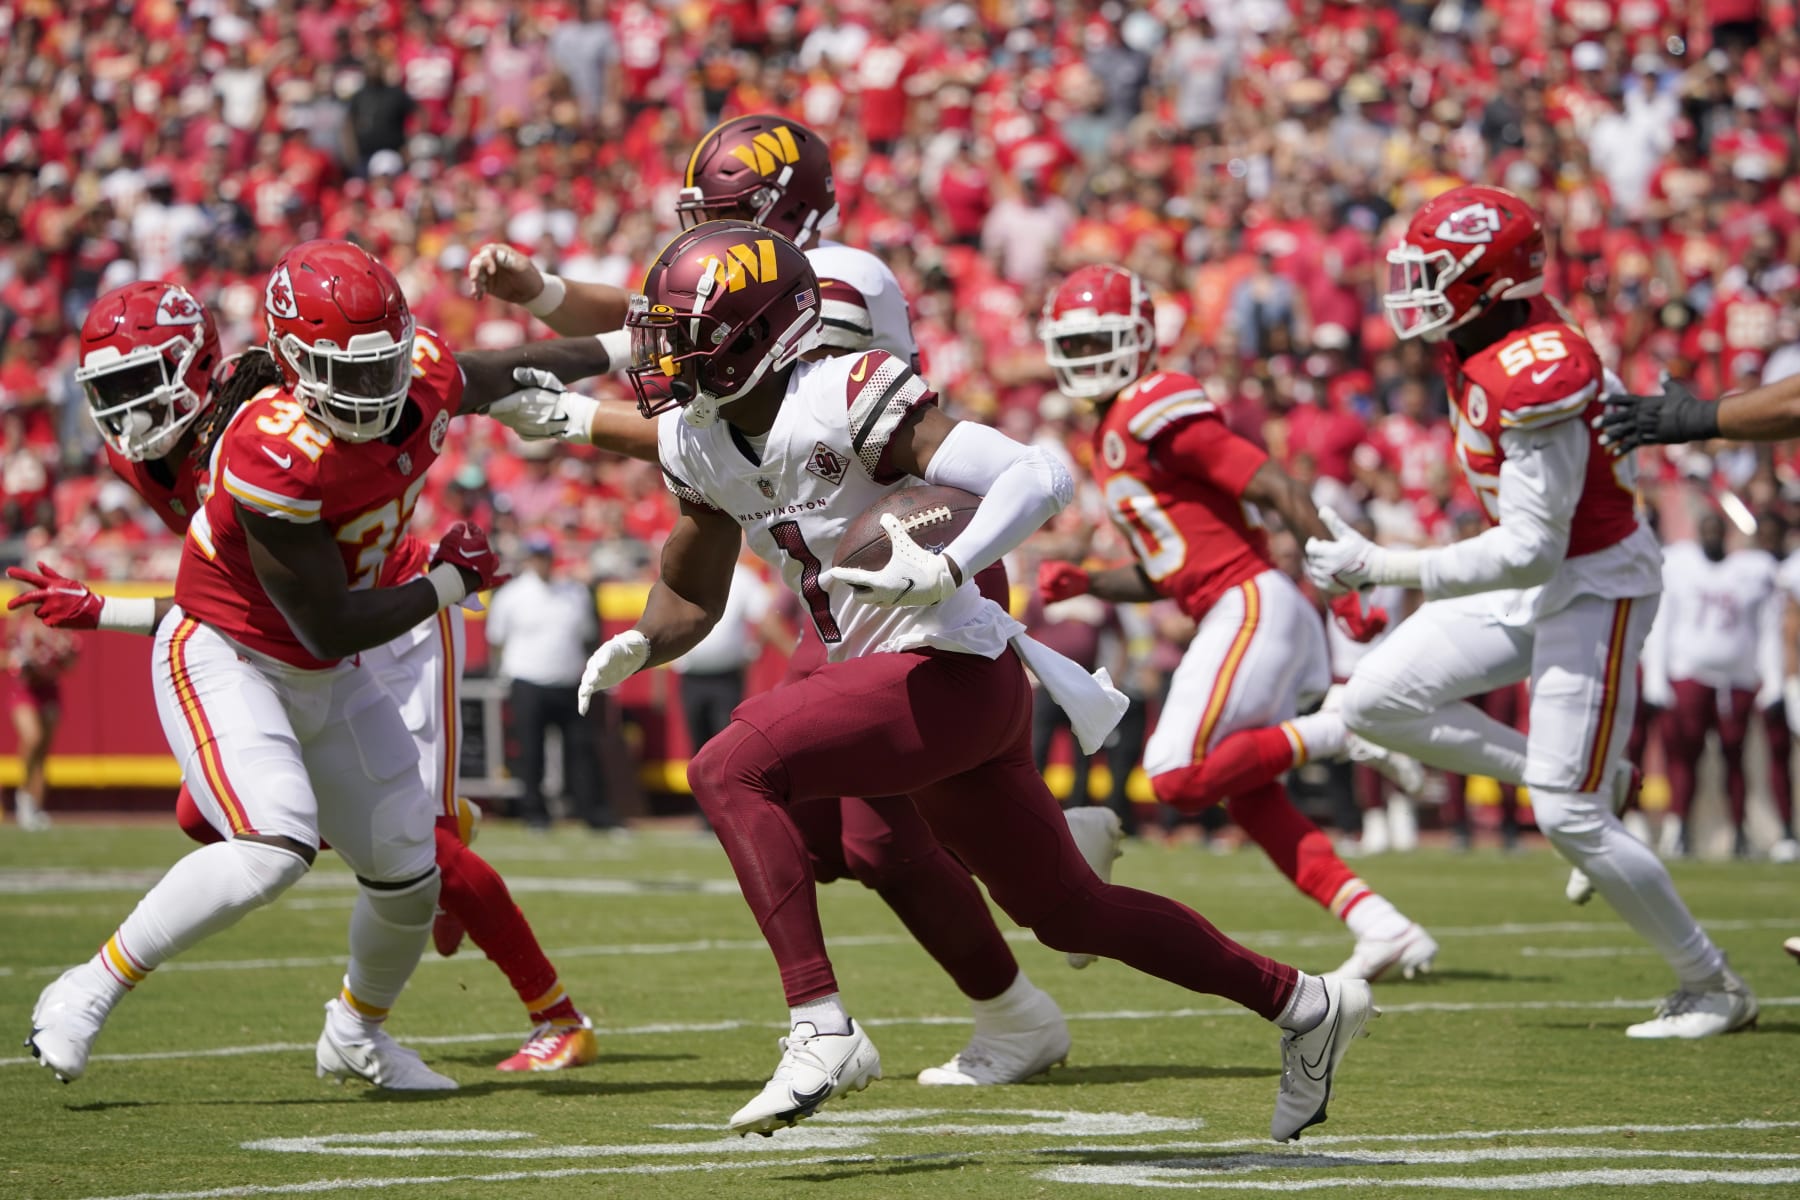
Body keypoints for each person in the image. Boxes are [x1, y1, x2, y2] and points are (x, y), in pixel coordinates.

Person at [577, 219, 1372, 1141]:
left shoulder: (845, 390)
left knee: (729, 766)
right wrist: (643, 641)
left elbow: (1038, 473)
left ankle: (820, 1029)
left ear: (756, 335)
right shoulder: (700, 440)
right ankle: (1307, 1006)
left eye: (685, 333)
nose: (665, 354)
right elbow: (692, 584)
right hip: (913, 690)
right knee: (1070, 912)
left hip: (946, 668)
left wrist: (951, 569)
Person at [469, 115, 1123, 1089]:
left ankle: (1020, 962)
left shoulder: (838, 275)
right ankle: (1034, 914)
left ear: (784, 213)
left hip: (909, 557)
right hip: (843, 574)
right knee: (835, 835)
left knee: (857, 825)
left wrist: (565, 408)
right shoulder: (739, 288)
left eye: (727, 216)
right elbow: (658, 339)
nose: (704, 236)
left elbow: (684, 370)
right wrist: (545, 303)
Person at [21, 248, 613, 1087]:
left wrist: (634, 347)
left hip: (351, 643)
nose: (372, 393)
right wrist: (452, 581)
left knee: (412, 871)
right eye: (347, 373)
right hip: (249, 651)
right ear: (295, 366)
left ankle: (358, 1032)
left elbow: (496, 369)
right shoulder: (270, 450)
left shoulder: (415, 379)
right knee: (268, 843)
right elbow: (308, 615)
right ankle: (87, 988)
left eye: (383, 369)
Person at [1307, 184, 1756, 1038]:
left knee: (1566, 815)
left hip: (1593, 581)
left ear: (1489, 282)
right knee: (1371, 701)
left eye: (1436, 272)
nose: (1413, 287)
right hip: (1538, 576)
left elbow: (1532, 549)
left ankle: (1715, 986)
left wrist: (1382, 565)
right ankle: (1600, 777)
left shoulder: (1533, 365)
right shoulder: (1485, 337)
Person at [1034, 263, 1436, 982]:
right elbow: (1170, 566)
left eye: (1102, 339)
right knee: (1248, 793)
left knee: (1176, 774)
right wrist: (1089, 581)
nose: (1088, 357)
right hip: (1230, 600)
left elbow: (1277, 485)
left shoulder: (1156, 402)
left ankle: (1352, 726)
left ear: (1140, 339)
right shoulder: (1109, 434)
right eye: (1077, 343)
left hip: (1248, 600)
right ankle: (1383, 925)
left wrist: (1340, 577)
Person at [1648, 511, 1778, 858]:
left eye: (1717, 529)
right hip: (1689, 672)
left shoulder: (1751, 570)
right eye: (1706, 529)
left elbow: (1766, 628)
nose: (1712, 535)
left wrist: (1771, 678)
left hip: (1736, 678)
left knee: (1734, 757)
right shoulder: (1678, 565)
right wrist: (1656, 678)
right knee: (1683, 757)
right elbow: (1662, 623)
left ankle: (1739, 829)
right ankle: (1678, 828)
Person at [486, 532, 615, 832]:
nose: (542, 563)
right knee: (530, 751)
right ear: (529, 559)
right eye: (537, 556)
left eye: (546, 556)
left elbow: (586, 635)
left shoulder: (574, 592)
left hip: (569, 681)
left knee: (580, 749)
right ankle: (535, 814)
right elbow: (496, 640)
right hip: (527, 681)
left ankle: (590, 811)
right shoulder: (512, 595)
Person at [5, 607, 77, 831]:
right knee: (32, 738)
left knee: (43, 750)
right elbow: (7, 656)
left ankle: (34, 805)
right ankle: (23, 793)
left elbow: (69, 661)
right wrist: (16, 659)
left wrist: (62, 654)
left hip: (49, 689)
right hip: (24, 690)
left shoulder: (55, 625)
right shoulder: (15, 624)